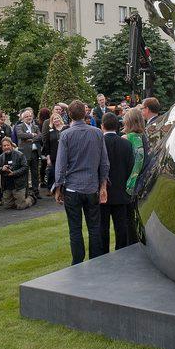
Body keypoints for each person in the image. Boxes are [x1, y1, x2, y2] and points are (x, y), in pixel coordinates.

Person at [53, 100, 109, 265]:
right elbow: (104, 163)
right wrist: (103, 185)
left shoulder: (66, 134)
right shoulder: (97, 133)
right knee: (94, 227)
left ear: (69, 115)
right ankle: (95, 261)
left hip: (73, 189)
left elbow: (61, 164)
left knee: (75, 229)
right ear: (85, 114)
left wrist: (58, 187)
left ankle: (77, 262)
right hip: (91, 187)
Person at [100, 112, 136, 252]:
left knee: (103, 228)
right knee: (121, 228)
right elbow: (130, 167)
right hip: (121, 192)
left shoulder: (99, 143)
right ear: (118, 126)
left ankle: (103, 255)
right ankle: (121, 253)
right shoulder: (126, 144)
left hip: (103, 193)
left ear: (102, 126)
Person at [0, 137, 34, 209]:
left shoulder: (20, 155)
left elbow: (25, 167)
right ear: (2, 147)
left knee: (21, 206)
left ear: (11, 145)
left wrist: (14, 173)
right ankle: (16, 200)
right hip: (7, 185)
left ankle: (31, 198)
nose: (6, 147)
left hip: (18, 184)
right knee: (7, 206)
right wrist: (2, 168)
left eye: (8, 145)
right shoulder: (1, 157)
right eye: (4, 146)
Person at [15, 108, 41, 198]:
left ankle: (36, 191)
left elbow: (40, 136)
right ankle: (26, 192)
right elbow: (20, 135)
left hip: (35, 153)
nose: (29, 118)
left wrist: (31, 139)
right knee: (25, 173)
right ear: (22, 118)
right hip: (25, 153)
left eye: (30, 116)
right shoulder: (19, 126)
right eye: (26, 116)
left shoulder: (35, 126)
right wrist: (32, 135)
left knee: (35, 173)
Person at [41, 112, 66, 193]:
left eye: (57, 118)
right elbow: (47, 145)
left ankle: (63, 189)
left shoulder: (66, 128)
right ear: (52, 121)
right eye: (54, 119)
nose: (56, 120)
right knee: (52, 173)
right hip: (54, 155)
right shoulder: (50, 131)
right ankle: (51, 189)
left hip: (65, 155)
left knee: (65, 172)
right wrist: (48, 158)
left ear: (60, 118)